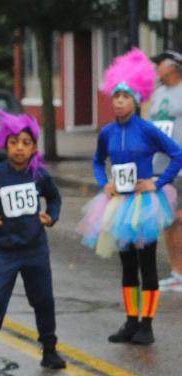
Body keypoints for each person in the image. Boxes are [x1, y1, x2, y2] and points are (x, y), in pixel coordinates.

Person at [78, 48, 182, 346]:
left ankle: (147, 325)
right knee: (126, 266)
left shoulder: (147, 130)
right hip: (118, 204)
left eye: (125, 97)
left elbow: (177, 154)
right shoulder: (107, 132)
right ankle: (130, 320)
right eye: (116, 97)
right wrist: (104, 184)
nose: (120, 102)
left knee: (147, 263)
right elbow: (98, 161)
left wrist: (159, 183)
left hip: (144, 204)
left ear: (136, 101)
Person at [0, 109, 66, 373]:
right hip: (6, 250)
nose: (19, 149)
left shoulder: (39, 175)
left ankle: (50, 350)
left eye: (26, 143)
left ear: (34, 148)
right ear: (5, 144)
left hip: (35, 249)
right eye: (14, 142)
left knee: (43, 299)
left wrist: (51, 217)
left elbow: (54, 198)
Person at [148, 49, 182, 291]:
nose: (157, 67)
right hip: (160, 166)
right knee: (169, 222)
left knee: (178, 220)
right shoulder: (158, 93)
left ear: (173, 66)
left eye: (160, 64)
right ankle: (177, 271)